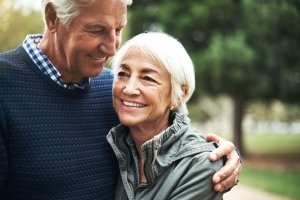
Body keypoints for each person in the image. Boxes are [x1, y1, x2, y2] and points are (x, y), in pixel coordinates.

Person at [0, 0, 241, 199]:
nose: (112, 48)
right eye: (97, 30)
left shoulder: (113, 89)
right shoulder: (5, 86)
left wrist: (220, 155)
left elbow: (167, 130)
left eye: (118, 30)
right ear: (53, 18)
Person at [107, 32, 227, 200]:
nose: (129, 89)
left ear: (179, 95)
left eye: (148, 78)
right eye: (123, 74)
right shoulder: (116, 142)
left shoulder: (200, 164)